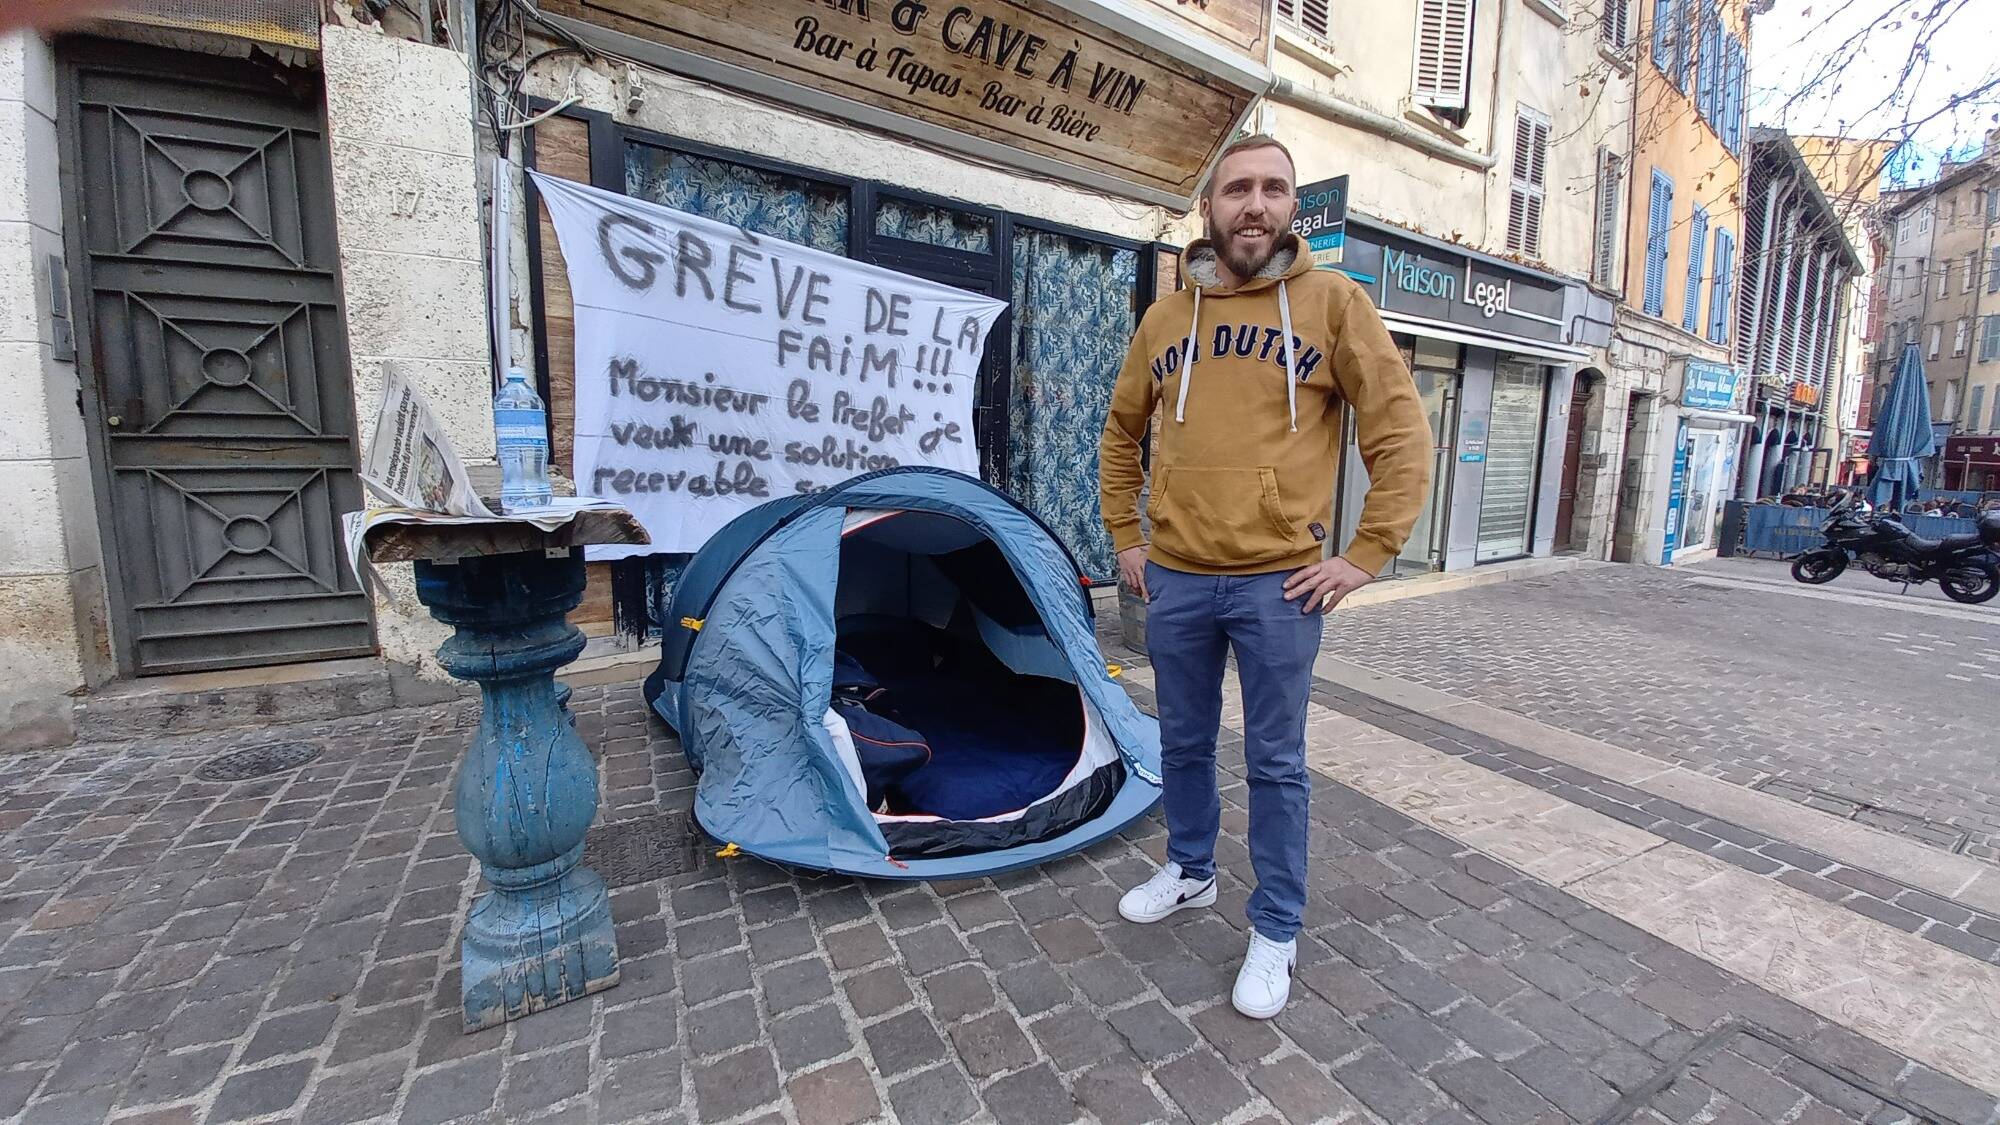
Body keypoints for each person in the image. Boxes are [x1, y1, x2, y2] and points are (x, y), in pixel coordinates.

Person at [1098, 135, 1431, 1019]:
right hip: (1175, 576)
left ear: (1292, 207)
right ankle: (1191, 868)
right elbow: (1119, 431)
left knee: (1277, 762)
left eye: (1273, 189)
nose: (1255, 204)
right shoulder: (1166, 319)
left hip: (1281, 584)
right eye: (1237, 188)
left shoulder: (1332, 303)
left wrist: (1366, 553)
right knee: (1183, 740)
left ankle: (1276, 926)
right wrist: (1128, 535)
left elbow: (1398, 431)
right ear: (1208, 207)